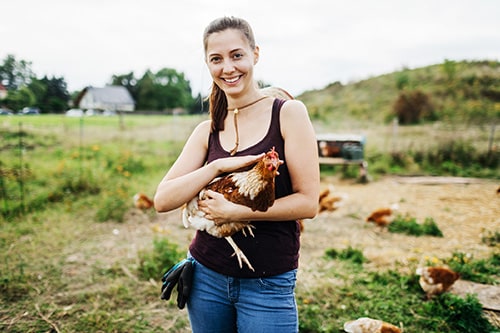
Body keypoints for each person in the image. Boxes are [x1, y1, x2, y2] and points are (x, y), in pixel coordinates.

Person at [154, 16, 320, 333]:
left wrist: (235, 211)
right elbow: (163, 200)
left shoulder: (287, 114)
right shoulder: (207, 131)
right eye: (216, 59)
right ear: (207, 64)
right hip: (205, 276)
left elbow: (308, 203)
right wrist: (215, 167)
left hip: (268, 281)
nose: (228, 68)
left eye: (236, 55)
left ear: (255, 54)